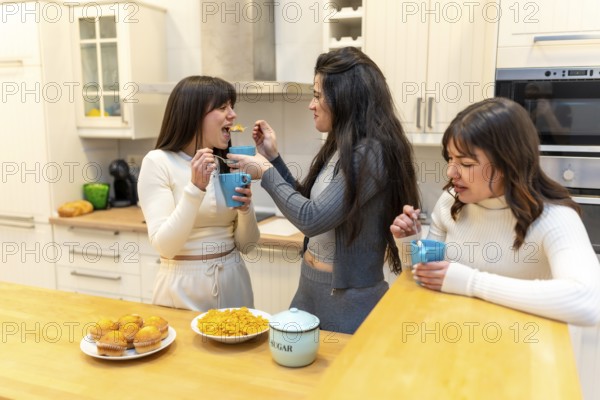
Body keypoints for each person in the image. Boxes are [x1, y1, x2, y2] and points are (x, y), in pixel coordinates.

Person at [229, 47, 420, 333]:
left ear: (344, 97)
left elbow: (311, 219)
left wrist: (265, 172)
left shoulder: (370, 153)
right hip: (310, 289)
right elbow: (309, 203)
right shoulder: (340, 145)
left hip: (348, 303)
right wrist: (273, 158)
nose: (311, 104)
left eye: (318, 95)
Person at [390, 97, 600, 326]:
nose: (451, 171)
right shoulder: (450, 202)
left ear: (508, 163)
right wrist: (409, 241)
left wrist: (472, 282)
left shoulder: (555, 218)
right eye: (450, 158)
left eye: (466, 164)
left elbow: (588, 302)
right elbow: (429, 277)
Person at [137, 76, 260, 311]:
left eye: (232, 107)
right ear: (192, 116)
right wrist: (195, 189)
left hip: (234, 283)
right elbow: (166, 247)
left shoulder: (224, 161)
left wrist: (245, 210)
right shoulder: (158, 162)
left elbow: (248, 246)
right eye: (223, 107)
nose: (233, 115)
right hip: (183, 289)